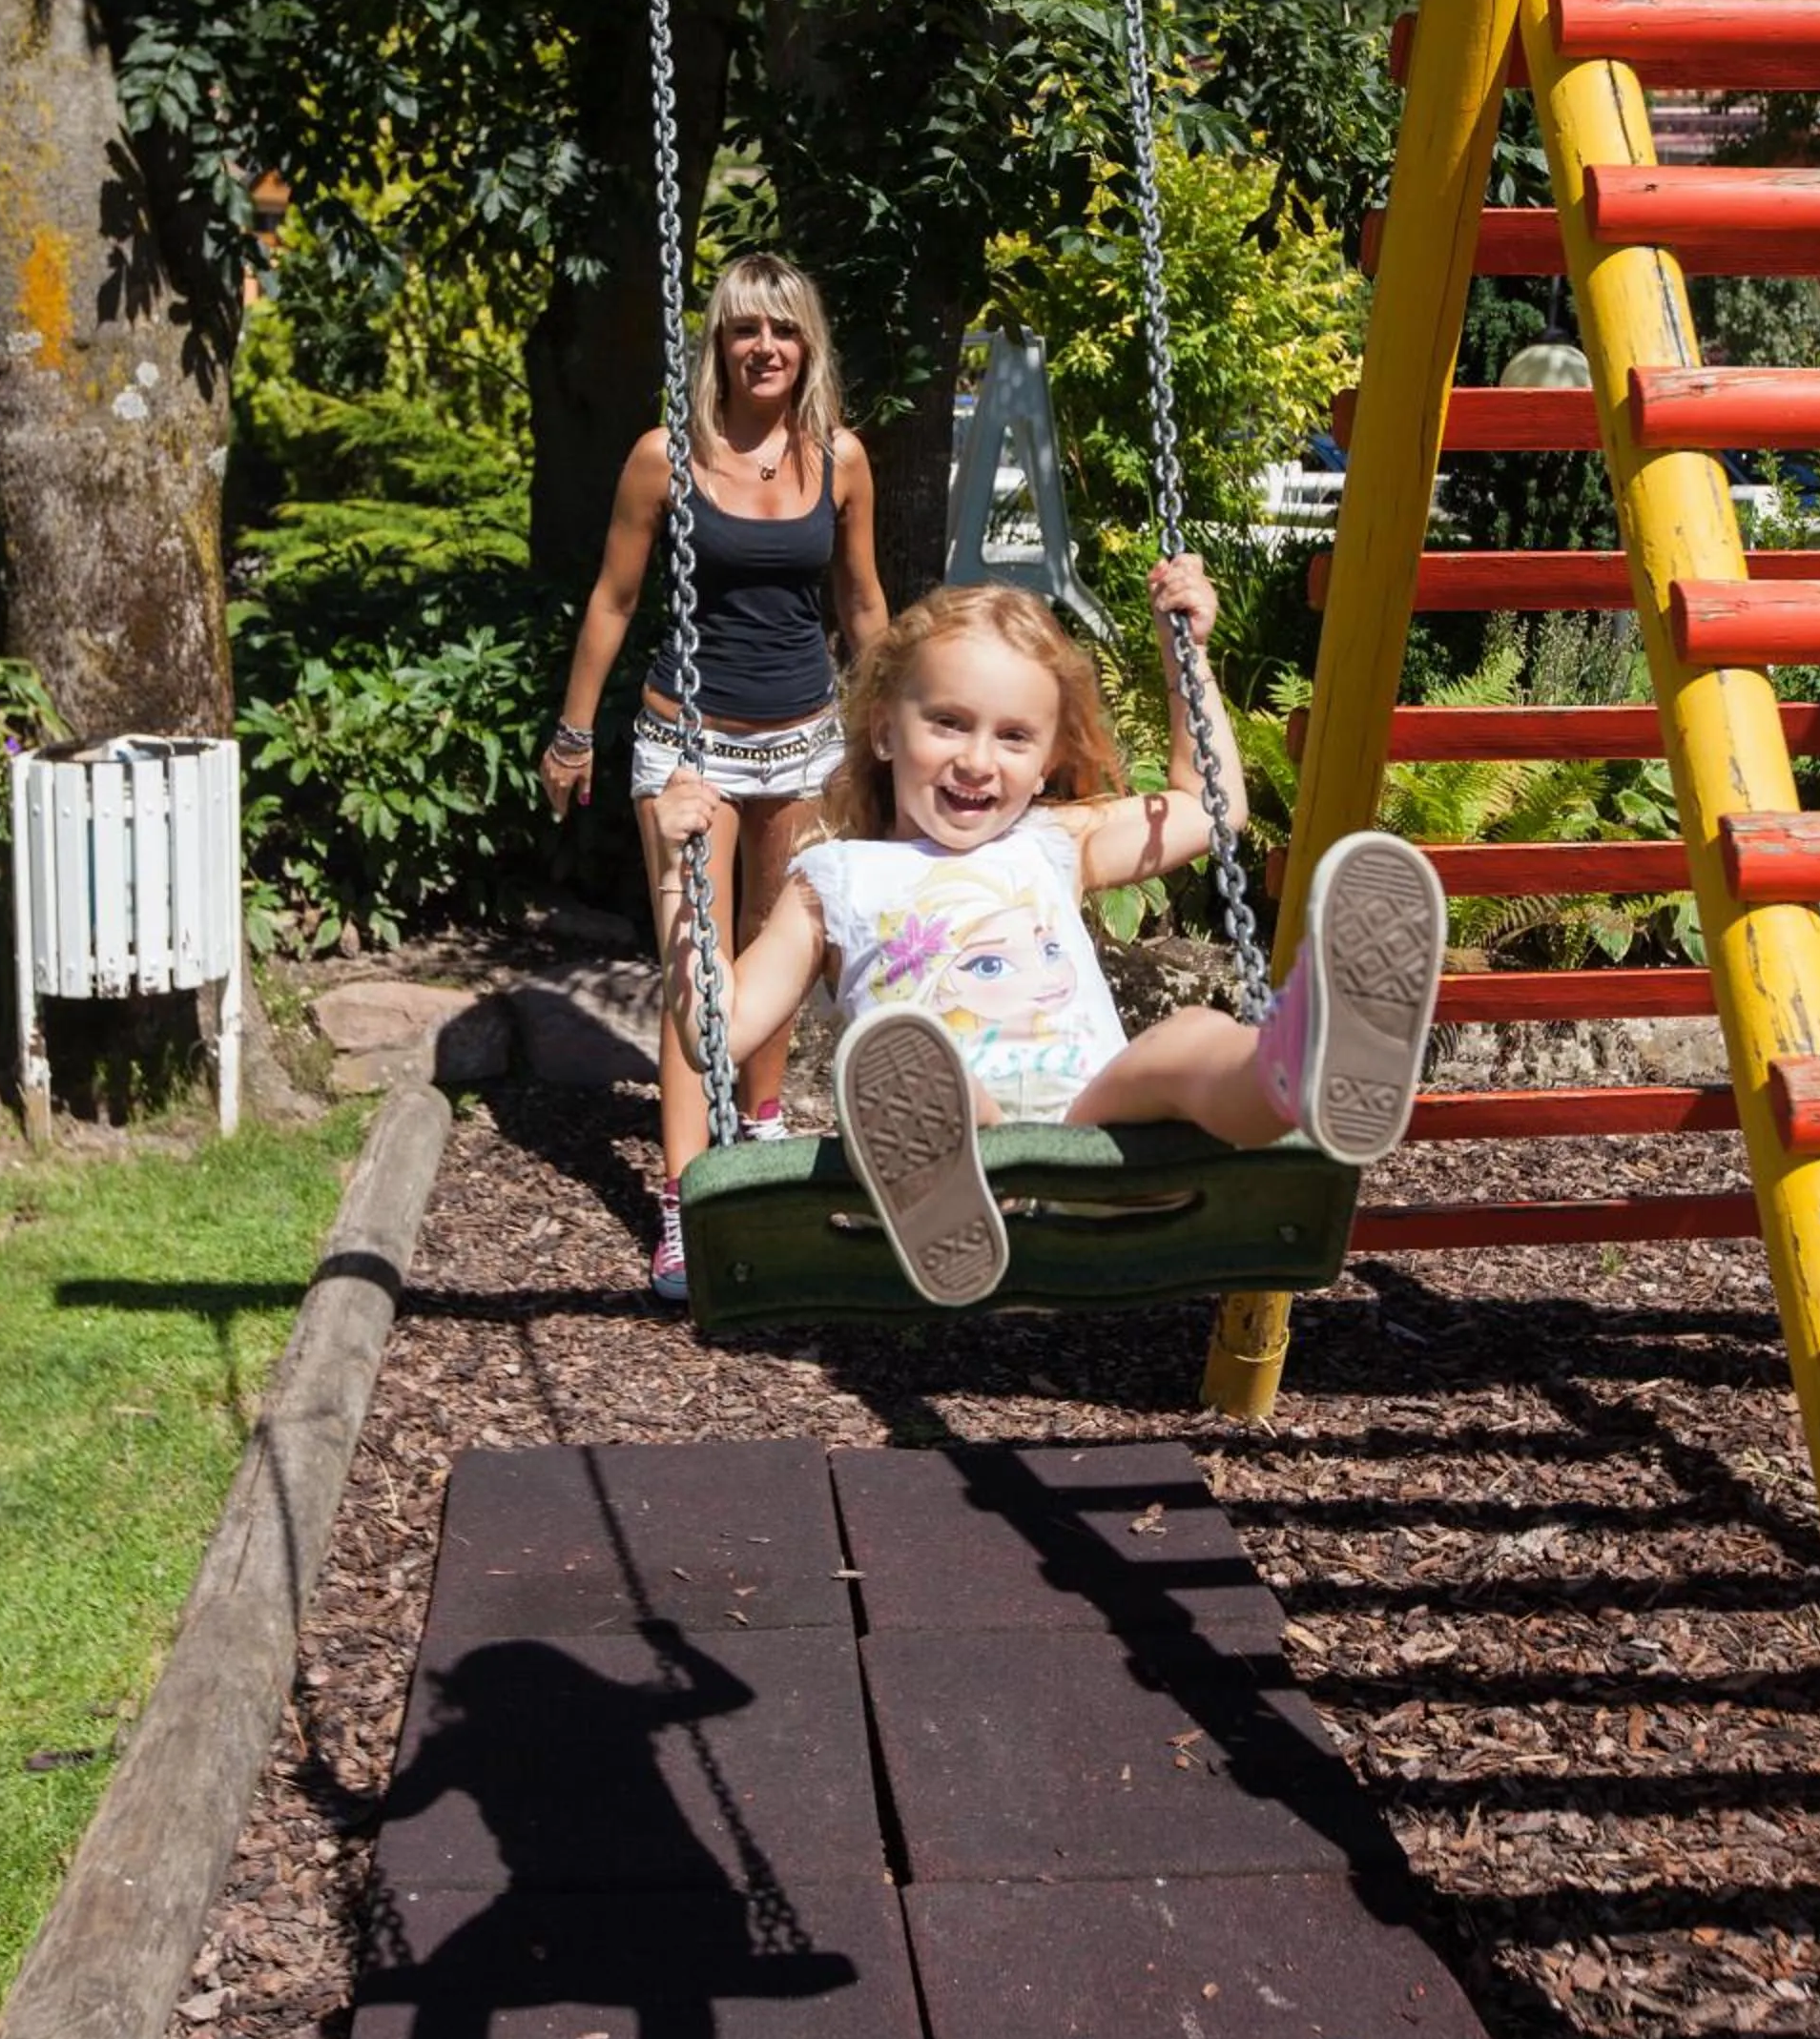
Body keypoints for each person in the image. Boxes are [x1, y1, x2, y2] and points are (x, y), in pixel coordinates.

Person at [652, 560, 1446, 1308]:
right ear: (886, 730)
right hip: (971, 1148)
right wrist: (678, 881)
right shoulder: (834, 878)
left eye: (1013, 737)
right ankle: (939, 1184)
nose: (977, 760)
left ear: (1046, 762)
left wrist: (1187, 659)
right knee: (903, 1052)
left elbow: (1212, 809)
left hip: (1098, 1135)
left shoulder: (1053, 841)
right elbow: (717, 1034)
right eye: (949, 724)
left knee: (1192, 1035)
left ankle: (1305, 1065)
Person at [542, 253, 887, 1302]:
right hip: (685, 744)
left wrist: (893, 734)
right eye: (745, 330)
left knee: (775, 956)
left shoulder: (840, 460)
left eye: (782, 330)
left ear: (806, 345)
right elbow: (611, 599)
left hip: (806, 741)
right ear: (720, 345)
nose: (764, 348)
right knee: (700, 967)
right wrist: (572, 732)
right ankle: (687, 1200)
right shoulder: (666, 459)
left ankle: (765, 1136)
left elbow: (864, 605)